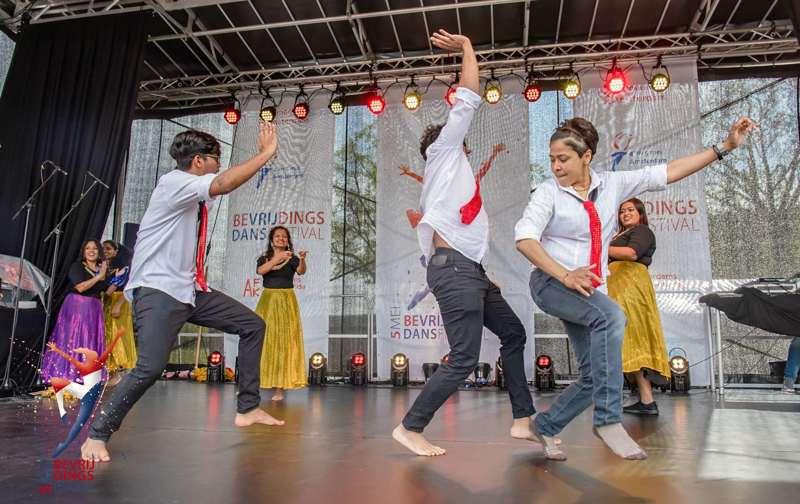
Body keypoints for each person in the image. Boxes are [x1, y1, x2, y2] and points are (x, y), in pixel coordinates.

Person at [515, 116, 756, 460]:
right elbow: (525, 239)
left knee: (595, 374)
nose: (555, 166)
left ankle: (546, 425)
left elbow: (669, 171)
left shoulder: (613, 184)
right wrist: (566, 275)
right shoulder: (547, 193)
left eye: (563, 159)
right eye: (551, 159)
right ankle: (608, 420)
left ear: (586, 157)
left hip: (586, 292)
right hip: (551, 282)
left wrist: (725, 147)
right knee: (612, 316)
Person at [81, 123, 282, 463]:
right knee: (149, 367)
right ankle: (97, 434)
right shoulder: (174, 183)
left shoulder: (191, 194)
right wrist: (265, 154)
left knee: (252, 325)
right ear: (199, 161)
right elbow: (224, 183)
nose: (218, 166)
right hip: (158, 290)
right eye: (215, 159)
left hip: (188, 290)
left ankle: (248, 407)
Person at [392, 30, 537, 457]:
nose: (467, 149)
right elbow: (468, 97)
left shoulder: (450, 177)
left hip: (468, 270)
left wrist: (483, 275)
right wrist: (469, 48)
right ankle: (410, 427)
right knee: (464, 356)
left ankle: (523, 419)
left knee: (513, 332)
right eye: (463, 143)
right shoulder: (443, 152)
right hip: (454, 270)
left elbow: (462, 233)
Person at [607, 198, 670, 415]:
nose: (625, 214)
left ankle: (643, 400)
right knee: (625, 341)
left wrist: (601, 248)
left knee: (634, 339)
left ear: (640, 213)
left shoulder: (642, 231)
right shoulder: (618, 235)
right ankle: (646, 400)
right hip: (617, 287)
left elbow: (632, 253)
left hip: (631, 288)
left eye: (630, 210)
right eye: (622, 211)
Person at [40, 239, 109, 383]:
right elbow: (81, 287)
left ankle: (88, 373)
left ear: (99, 252)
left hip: (94, 308)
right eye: (88, 248)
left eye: (95, 248)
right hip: (78, 305)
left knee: (91, 339)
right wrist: (99, 276)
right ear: (83, 251)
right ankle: (70, 374)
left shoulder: (101, 268)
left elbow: (105, 290)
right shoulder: (77, 267)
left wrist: (116, 278)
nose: (91, 251)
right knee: (76, 337)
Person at [255, 226, 308, 401]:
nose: (281, 238)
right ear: (272, 240)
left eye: (284, 236)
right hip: (268, 301)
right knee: (263, 342)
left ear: (287, 240)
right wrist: (277, 258)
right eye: (277, 236)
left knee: (282, 343)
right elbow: (261, 271)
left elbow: (301, 271)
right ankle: (252, 386)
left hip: (286, 301)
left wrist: (302, 260)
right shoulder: (264, 258)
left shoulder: (292, 258)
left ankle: (279, 389)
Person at [101, 240, 137, 379]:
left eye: (108, 248)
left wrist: (118, 305)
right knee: (107, 334)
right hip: (107, 300)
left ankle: (118, 371)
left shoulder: (124, 267)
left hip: (118, 300)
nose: (105, 251)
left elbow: (125, 287)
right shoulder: (105, 266)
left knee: (117, 334)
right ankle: (111, 371)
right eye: (103, 248)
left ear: (116, 251)